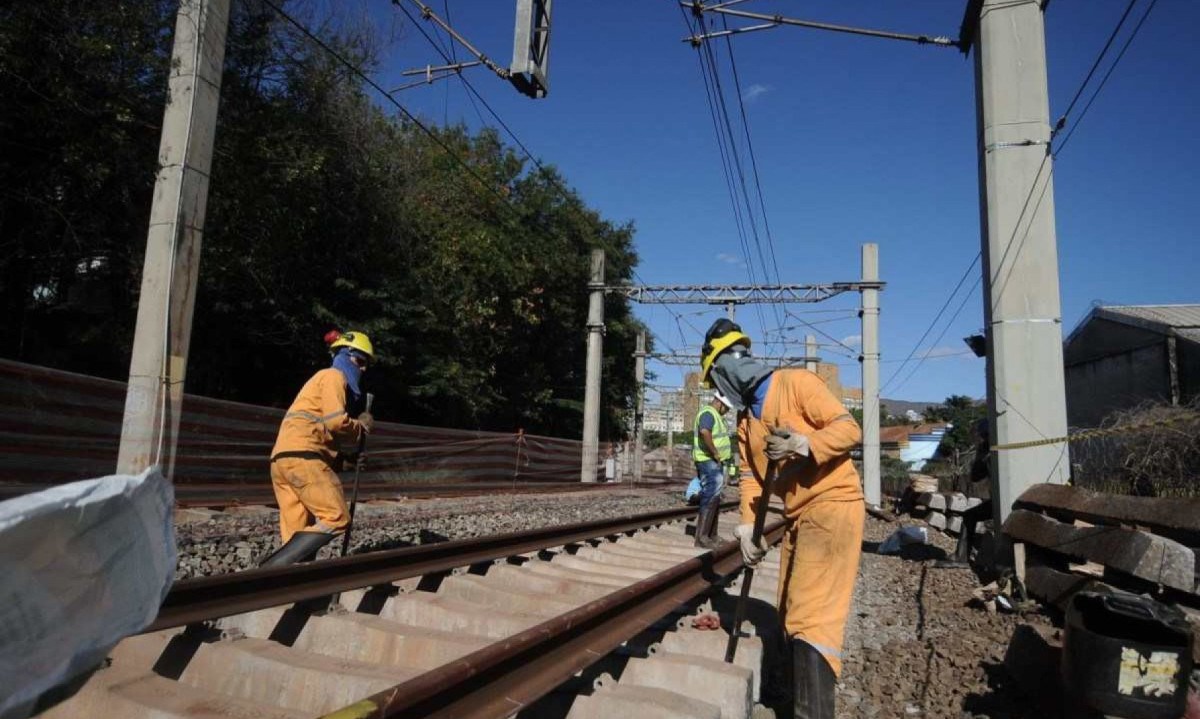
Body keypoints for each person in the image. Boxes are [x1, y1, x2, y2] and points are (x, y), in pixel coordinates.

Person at [701, 318, 863, 719]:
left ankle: (813, 712)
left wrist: (807, 443)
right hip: (799, 514)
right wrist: (747, 529)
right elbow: (752, 480)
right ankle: (792, 699)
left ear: (724, 369)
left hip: (833, 504)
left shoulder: (797, 384)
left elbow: (849, 429)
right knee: (788, 608)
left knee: (813, 616)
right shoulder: (745, 424)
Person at [259, 331, 376, 567]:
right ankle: (273, 567)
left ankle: (289, 588)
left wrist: (345, 459)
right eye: (360, 362)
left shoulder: (318, 382)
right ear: (346, 355)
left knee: (297, 534)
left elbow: (317, 433)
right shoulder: (334, 377)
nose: (363, 369)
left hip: (283, 461)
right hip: (303, 458)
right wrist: (360, 427)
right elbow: (335, 421)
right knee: (337, 517)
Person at [691, 391, 734, 548]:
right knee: (710, 496)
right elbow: (704, 431)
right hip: (708, 460)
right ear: (720, 402)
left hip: (714, 462)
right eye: (727, 408)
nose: (727, 411)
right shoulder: (708, 413)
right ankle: (702, 538)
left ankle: (712, 535)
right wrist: (715, 453)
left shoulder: (715, 415)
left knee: (715, 496)